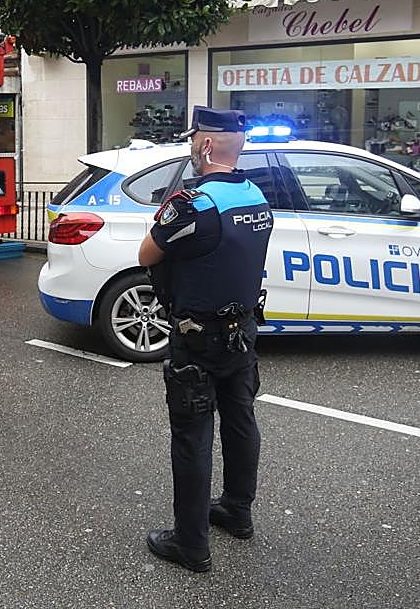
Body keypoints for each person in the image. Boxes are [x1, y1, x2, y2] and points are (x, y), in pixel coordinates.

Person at [138, 107, 273, 573]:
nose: (192, 146)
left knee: (192, 436)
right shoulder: (256, 195)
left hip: (198, 338)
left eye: (195, 139)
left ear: (207, 145)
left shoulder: (195, 203)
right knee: (240, 420)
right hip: (243, 332)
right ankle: (237, 511)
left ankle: (191, 544)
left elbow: (147, 253)